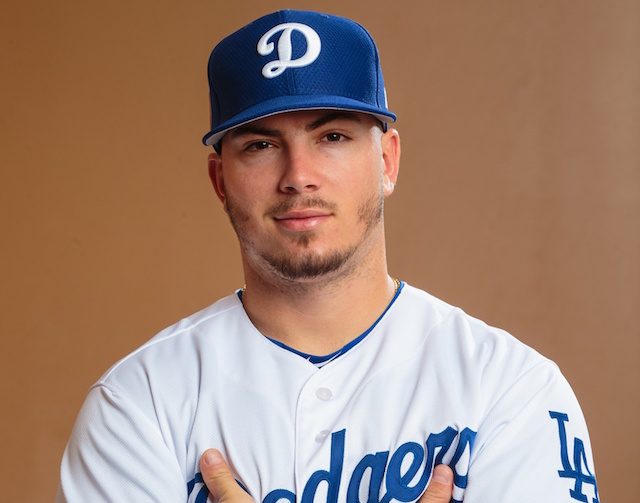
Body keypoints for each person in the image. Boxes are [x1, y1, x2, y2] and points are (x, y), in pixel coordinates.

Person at [56, 9, 599, 503]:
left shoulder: (511, 390)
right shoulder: (137, 403)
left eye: (332, 136)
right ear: (220, 181)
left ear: (386, 160)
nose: (298, 177)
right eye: (260, 145)